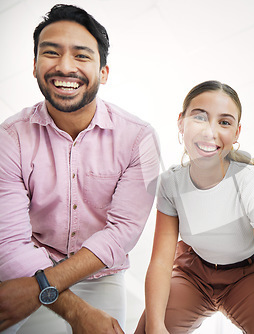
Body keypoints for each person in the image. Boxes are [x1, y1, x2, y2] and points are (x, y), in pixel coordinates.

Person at [0, 4, 160, 334]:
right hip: (29, 265)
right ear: (34, 66)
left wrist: (43, 287)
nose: (65, 66)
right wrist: (75, 311)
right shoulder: (8, 139)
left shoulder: (141, 139)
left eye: (82, 56)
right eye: (51, 53)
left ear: (104, 72)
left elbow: (122, 233)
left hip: (101, 274)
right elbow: (10, 243)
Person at [134, 80, 254, 334]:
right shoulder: (170, 182)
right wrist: (156, 327)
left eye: (224, 122)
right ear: (181, 123)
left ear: (236, 133)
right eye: (200, 117)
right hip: (194, 274)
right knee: (148, 328)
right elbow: (160, 262)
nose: (210, 132)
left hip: (247, 275)